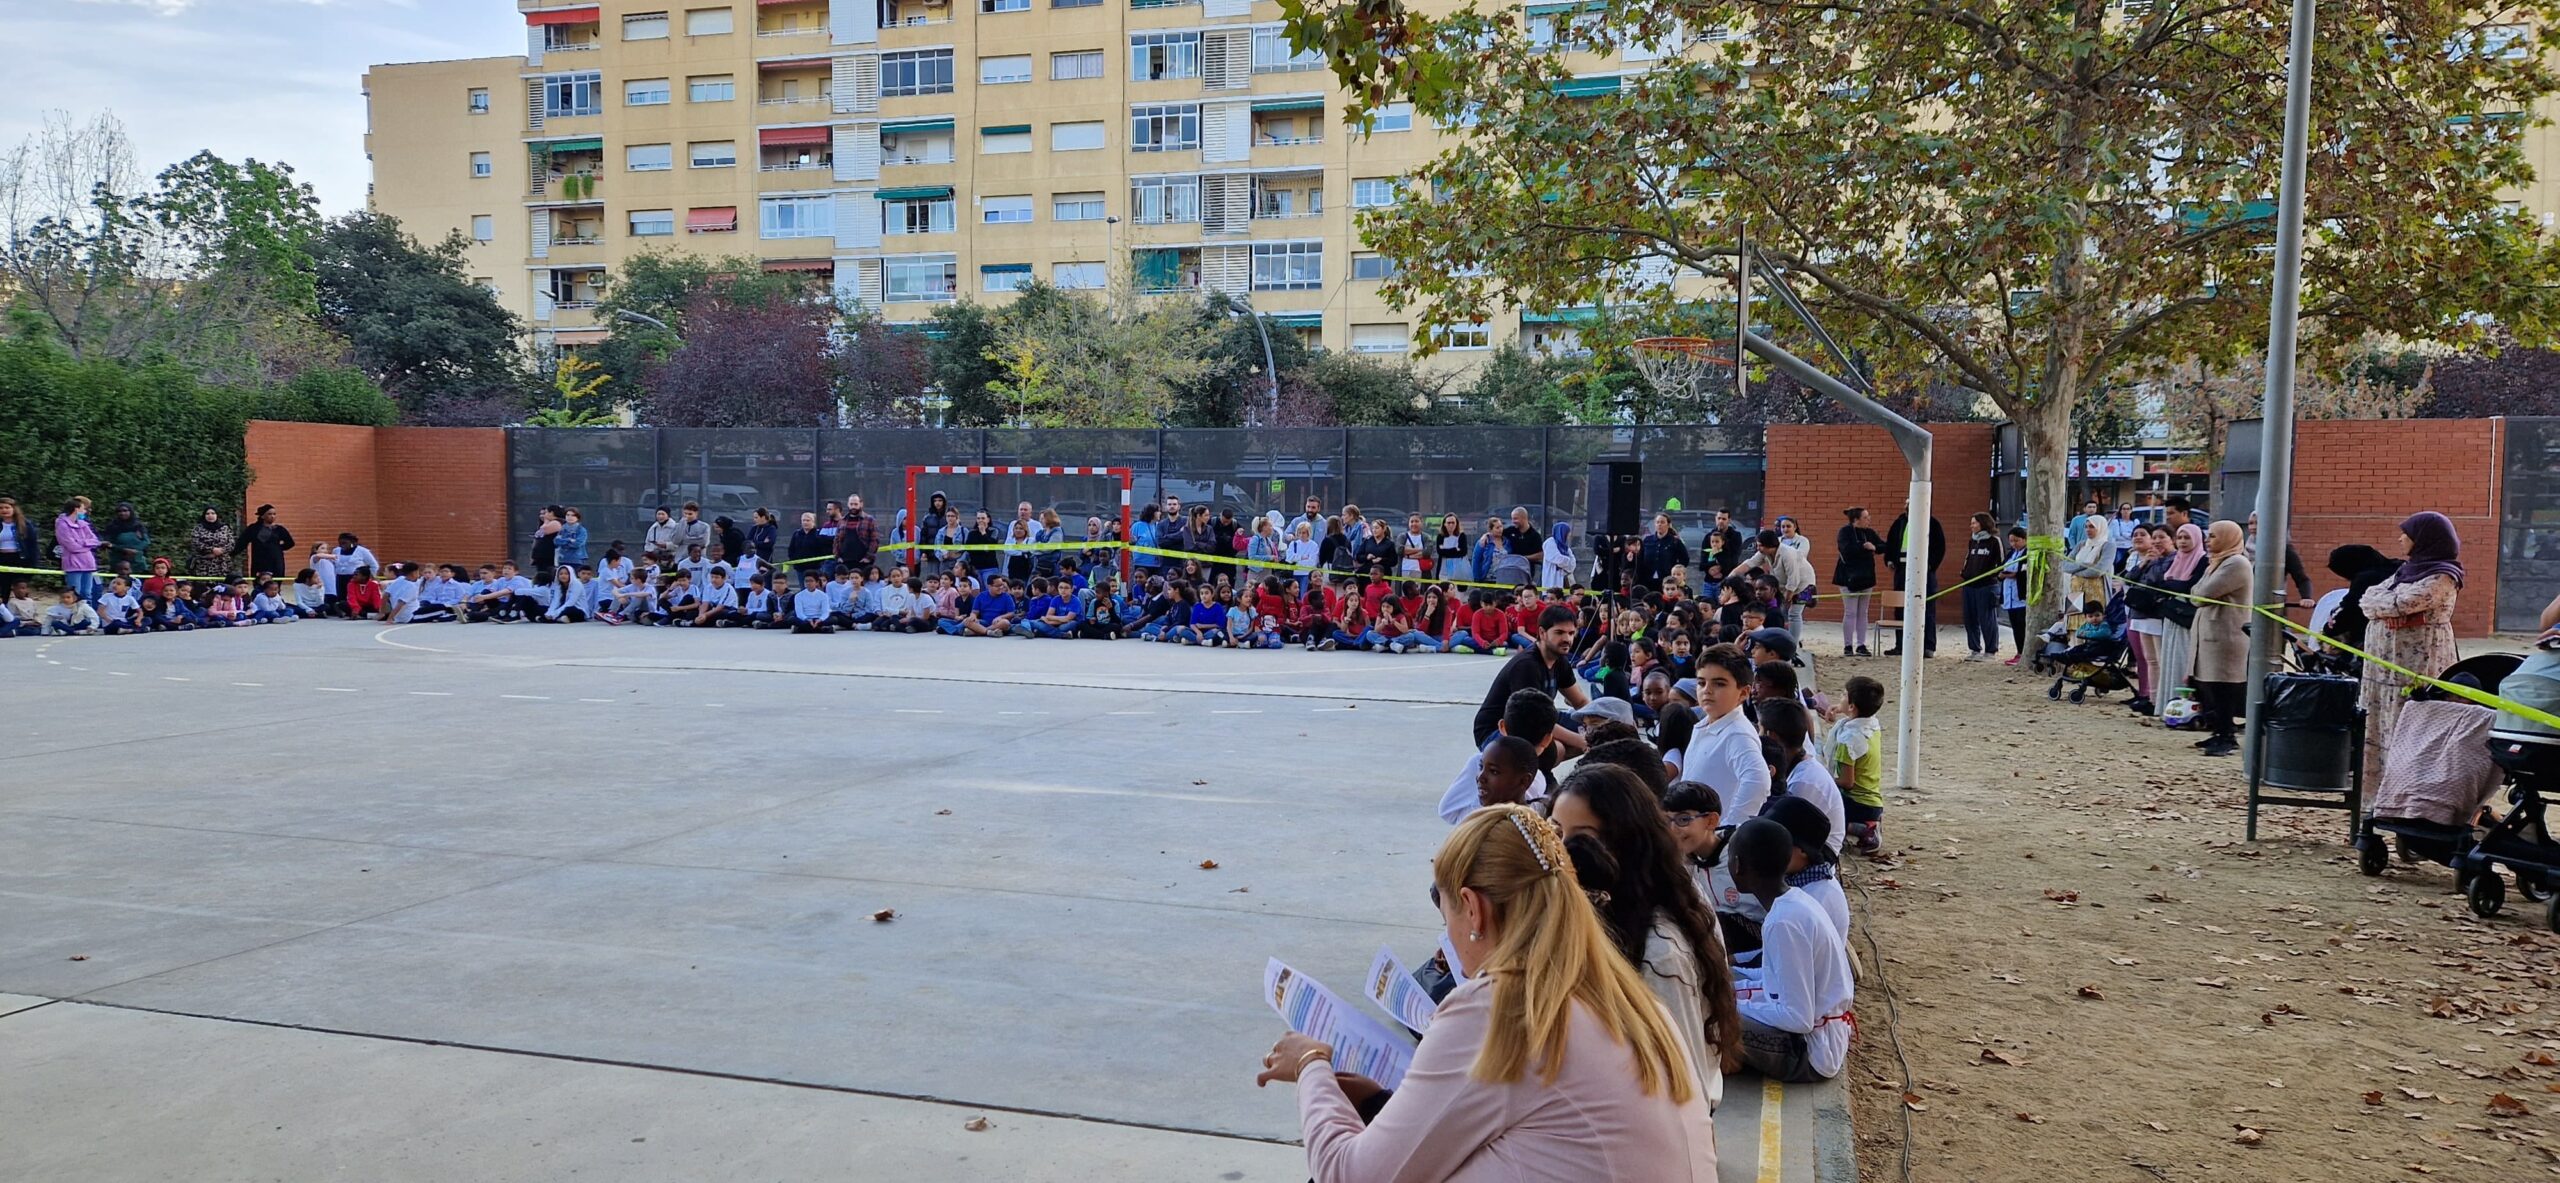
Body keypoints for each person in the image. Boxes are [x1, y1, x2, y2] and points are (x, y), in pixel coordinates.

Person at [1256, 805, 1719, 1183]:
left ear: (1473, 909)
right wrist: (1382, 1102)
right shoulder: (1628, 997)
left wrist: (1311, 1064)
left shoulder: (1502, 1006)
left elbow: (1352, 1175)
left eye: (1448, 920)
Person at [1548, 763, 1743, 1109]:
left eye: (1583, 837)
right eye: (1556, 832)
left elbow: (1686, 1085)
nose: (1563, 852)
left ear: (1627, 842)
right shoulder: (1600, 900)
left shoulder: (1660, 952)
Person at [1720, 817, 1854, 1085]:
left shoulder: (1784, 922)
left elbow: (1797, 1018)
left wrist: (1731, 1004)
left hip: (1810, 1053)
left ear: (1737, 866)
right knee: (1722, 979)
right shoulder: (1794, 901)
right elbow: (1775, 981)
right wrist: (1731, 984)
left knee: (1705, 1017)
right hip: (1818, 1035)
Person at [2357, 511, 2464, 782]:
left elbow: (2404, 603)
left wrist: (2390, 609)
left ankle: (2405, 788)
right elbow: (2367, 597)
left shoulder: (2443, 575)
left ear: (2425, 539)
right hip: (2381, 669)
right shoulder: (2405, 571)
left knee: (2406, 719)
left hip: (2415, 664)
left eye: (2407, 534)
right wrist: (2387, 610)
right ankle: (2377, 791)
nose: (2401, 539)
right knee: (2378, 720)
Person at [1470, 604, 1592, 750]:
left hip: (1539, 719)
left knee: (1597, 731)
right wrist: (1584, 742)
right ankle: (1520, 765)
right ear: (1542, 632)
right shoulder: (1527, 666)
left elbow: (1580, 702)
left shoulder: (1560, 660)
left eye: (1571, 633)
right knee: (1556, 749)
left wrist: (1600, 724)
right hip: (1499, 730)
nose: (1567, 639)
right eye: (1559, 632)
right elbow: (1534, 720)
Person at [1681, 643, 1770, 822]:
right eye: (1701, 683)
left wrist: (1729, 828)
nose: (1707, 690)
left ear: (1743, 693)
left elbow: (1758, 781)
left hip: (1711, 832)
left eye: (1719, 684)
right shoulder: (1705, 724)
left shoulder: (1737, 734)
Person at [2189, 520, 2253, 757]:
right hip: (2210, 632)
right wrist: (2196, 593)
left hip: (2227, 634)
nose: (2208, 540)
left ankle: (2227, 736)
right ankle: (2218, 731)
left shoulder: (2236, 563)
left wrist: (2197, 593)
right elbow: (2195, 591)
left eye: (2214, 536)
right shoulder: (2216, 562)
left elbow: (2201, 595)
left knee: (2223, 686)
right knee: (2209, 684)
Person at [2151, 523, 2207, 720]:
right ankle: (2168, 704)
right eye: (2180, 538)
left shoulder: (2202, 560)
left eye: (2187, 538)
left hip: (2186, 620)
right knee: (2168, 659)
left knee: (2183, 659)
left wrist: (2171, 585)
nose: (2182, 542)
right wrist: (2172, 585)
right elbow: (2160, 583)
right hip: (2172, 617)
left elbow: (2190, 586)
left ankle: (2184, 704)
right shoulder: (2177, 559)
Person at [1830, 675, 1887, 853]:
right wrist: (1841, 709)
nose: (1840, 697)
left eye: (1843, 695)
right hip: (1872, 803)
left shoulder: (1848, 740)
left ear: (1852, 706)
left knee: (1816, 816)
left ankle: (1864, 830)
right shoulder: (1871, 725)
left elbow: (1847, 782)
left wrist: (1824, 778)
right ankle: (1867, 824)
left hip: (1858, 803)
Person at [2318, 543, 2397, 671]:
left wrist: (2329, 629)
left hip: (2370, 637)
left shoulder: (2366, 578)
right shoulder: (2397, 568)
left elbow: (2351, 609)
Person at [1733, 528, 1815, 639]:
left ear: (1769, 545)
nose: (1758, 548)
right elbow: (1749, 563)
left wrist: (1787, 598)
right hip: (1784, 585)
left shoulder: (1788, 554)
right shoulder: (1764, 553)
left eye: (1760, 545)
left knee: (1794, 614)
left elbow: (1793, 580)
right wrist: (1731, 575)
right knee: (1780, 612)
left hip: (1805, 584)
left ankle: (1793, 643)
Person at [1882, 511, 1944, 656]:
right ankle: (1901, 645)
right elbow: (1891, 542)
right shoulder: (1900, 523)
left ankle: (1928, 646)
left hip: (1924, 571)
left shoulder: (1932, 523)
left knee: (1927, 608)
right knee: (1901, 608)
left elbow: (1939, 546)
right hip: (1902, 570)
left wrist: (1931, 565)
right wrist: (1889, 559)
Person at [1832, 508, 1883, 658]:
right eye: (1865, 517)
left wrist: (1875, 547)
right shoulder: (1845, 532)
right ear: (1856, 519)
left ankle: (1861, 644)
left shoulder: (1870, 533)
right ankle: (1848, 645)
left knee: (1863, 612)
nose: (1869, 519)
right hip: (1848, 577)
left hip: (1866, 577)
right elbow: (1846, 550)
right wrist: (1863, 546)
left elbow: (1883, 546)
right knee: (1850, 612)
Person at [1957, 512, 2005, 660]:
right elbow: (1968, 558)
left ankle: (1990, 650)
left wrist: (1993, 575)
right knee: (1970, 618)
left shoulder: (1994, 541)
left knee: (1987, 619)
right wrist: (1964, 572)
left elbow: (2001, 563)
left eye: (1974, 523)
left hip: (1986, 586)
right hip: (1969, 584)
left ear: (1983, 523)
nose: (1971, 526)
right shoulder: (1972, 541)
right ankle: (1974, 649)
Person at [52, 500, 103, 601]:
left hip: (88, 563)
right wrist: (87, 545)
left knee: (87, 593)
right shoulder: (62, 525)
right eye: (83, 509)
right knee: (75, 593)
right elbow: (72, 546)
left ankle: (86, 611)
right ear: (76, 509)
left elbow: (95, 540)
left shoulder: (84, 524)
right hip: (73, 564)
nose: (85, 511)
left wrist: (81, 543)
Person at [236, 504, 295, 580]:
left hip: (275, 560)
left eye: (274, 514)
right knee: (259, 581)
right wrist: (232, 553)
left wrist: (278, 548)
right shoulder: (253, 528)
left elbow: (290, 543)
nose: (272, 516)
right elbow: (242, 542)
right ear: (262, 516)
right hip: (259, 560)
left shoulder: (279, 529)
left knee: (275, 581)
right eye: (269, 514)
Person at [1640, 513, 1690, 589]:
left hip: (1667, 582)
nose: (1659, 524)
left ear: (1668, 525)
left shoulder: (1675, 541)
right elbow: (1641, 557)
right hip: (1647, 580)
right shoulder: (1647, 540)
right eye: (1657, 522)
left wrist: (1675, 572)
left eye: (1662, 522)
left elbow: (1685, 559)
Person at [1496, 507, 1542, 587]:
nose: (1513, 521)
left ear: (1524, 518)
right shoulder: (1510, 531)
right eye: (1512, 519)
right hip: (1509, 572)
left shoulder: (1535, 536)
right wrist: (1485, 536)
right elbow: (1495, 534)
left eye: (1515, 519)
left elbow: (1540, 555)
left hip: (1525, 573)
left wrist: (1523, 558)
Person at [183, 508, 231, 579]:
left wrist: (221, 551)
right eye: (207, 514)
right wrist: (212, 549)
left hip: (222, 565)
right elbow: (195, 542)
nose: (210, 515)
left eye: (213, 513)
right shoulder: (198, 528)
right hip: (203, 565)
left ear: (217, 515)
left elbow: (231, 543)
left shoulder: (225, 528)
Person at [0, 497, 40, 577]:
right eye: (1, 508)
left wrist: (33, 564)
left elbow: (32, 545)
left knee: (20, 583)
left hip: (20, 558)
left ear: (14, 509)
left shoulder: (25, 524)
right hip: (2, 559)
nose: (4, 510)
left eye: (7, 507)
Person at [1540, 521, 1577, 590]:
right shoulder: (1550, 542)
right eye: (1568, 532)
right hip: (1552, 581)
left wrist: (1565, 562)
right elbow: (1557, 559)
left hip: (1565, 583)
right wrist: (1567, 561)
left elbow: (1572, 565)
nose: (1569, 535)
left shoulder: (1566, 547)